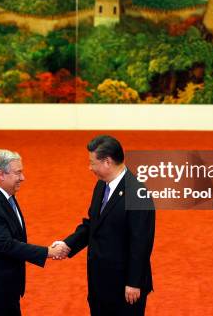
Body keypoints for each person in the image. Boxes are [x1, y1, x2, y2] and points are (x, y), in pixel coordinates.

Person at [53, 135, 156, 316]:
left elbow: (141, 243)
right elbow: (93, 223)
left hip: (124, 288)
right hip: (100, 283)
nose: (90, 167)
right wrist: (68, 244)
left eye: (92, 163)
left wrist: (134, 282)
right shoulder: (102, 185)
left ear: (107, 162)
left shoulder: (137, 193)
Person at [0, 149, 69, 316]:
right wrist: (47, 252)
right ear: (1, 175)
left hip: (5, 288)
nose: (22, 178)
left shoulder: (5, 196)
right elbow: (6, 244)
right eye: (18, 173)